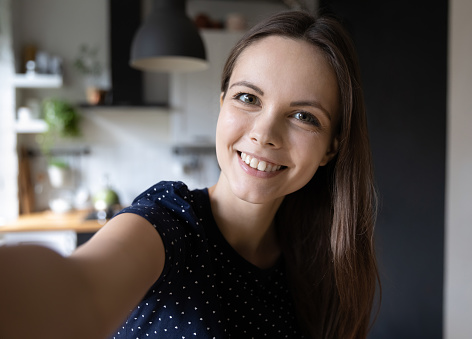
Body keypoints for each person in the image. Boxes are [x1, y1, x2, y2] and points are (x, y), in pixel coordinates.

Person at [0, 10, 378, 339]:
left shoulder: (321, 260)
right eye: (248, 98)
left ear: (332, 147)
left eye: (303, 116)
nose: (264, 133)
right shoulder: (169, 223)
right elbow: (80, 294)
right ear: (221, 103)